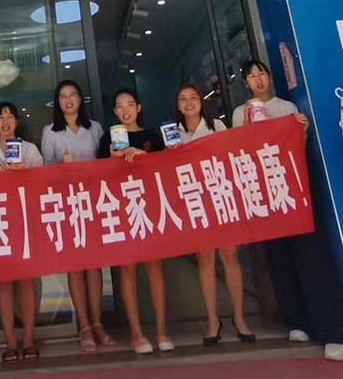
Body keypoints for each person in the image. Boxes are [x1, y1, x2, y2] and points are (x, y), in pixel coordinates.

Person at [233, 60, 343, 362]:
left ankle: (327, 327)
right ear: (246, 83)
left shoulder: (287, 108)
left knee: (308, 253)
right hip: (265, 194)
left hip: (294, 189)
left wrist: (301, 130)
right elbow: (237, 149)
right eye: (252, 76)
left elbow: (297, 149)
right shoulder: (240, 113)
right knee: (278, 256)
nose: (258, 79)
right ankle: (296, 321)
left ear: (269, 77)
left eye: (261, 73)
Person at [176, 83, 255, 346]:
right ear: (177, 105)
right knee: (205, 258)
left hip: (221, 198)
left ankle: (239, 317)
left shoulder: (217, 126)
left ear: (201, 101)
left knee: (230, 255)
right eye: (183, 99)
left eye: (193, 97)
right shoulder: (173, 134)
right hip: (195, 203)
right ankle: (212, 319)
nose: (188, 103)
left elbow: (230, 156)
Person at [98, 89, 174, 354]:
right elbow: (98, 177)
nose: (125, 110)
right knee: (128, 269)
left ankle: (162, 331)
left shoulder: (152, 136)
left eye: (129, 104)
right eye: (119, 106)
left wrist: (144, 157)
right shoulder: (107, 139)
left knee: (155, 266)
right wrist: (111, 160)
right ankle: (136, 333)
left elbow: (167, 168)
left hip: (149, 206)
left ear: (138, 108)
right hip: (121, 208)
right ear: (114, 112)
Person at [41, 80, 113, 352]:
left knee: (94, 265)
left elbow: (105, 162)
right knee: (75, 265)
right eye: (63, 96)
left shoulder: (95, 128)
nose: (68, 100)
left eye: (73, 95)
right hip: (67, 204)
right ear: (57, 102)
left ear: (81, 99)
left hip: (93, 202)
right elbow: (44, 169)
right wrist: (61, 165)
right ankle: (83, 325)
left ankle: (98, 323)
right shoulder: (50, 131)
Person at [0, 101, 43, 363]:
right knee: (3, 281)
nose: (5, 122)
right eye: (1, 117)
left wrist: (24, 172)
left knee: (26, 281)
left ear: (17, 122)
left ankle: (29, 339)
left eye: (10, 117)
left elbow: (44, 182)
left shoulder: (30, 150)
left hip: (25, 221)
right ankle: (10, 342)